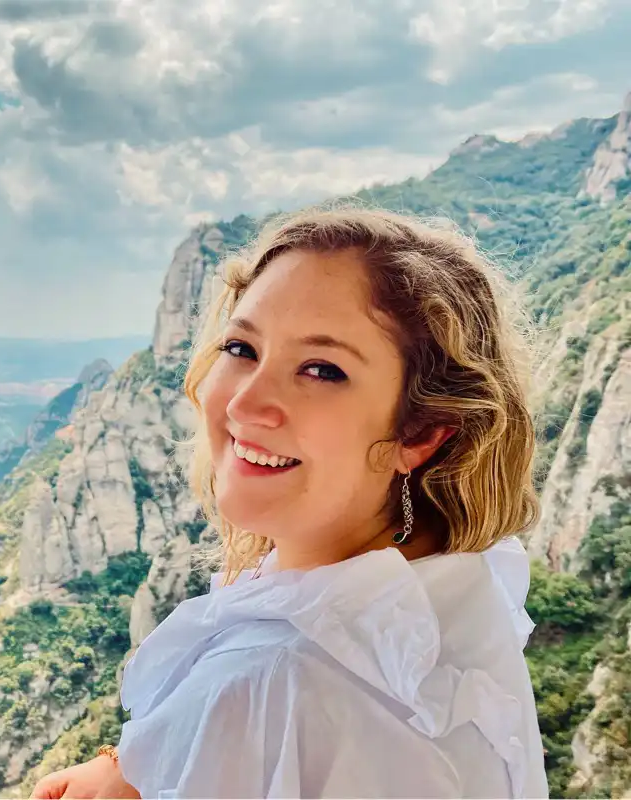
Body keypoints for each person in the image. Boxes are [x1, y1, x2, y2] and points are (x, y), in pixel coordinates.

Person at [31, 203, 549, 799]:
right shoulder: (454, 591)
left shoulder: (277, 682)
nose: (244, 404)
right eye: (241, 348)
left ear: (421, 432)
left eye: (322, 370)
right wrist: (147, 767)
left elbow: (293, 704)